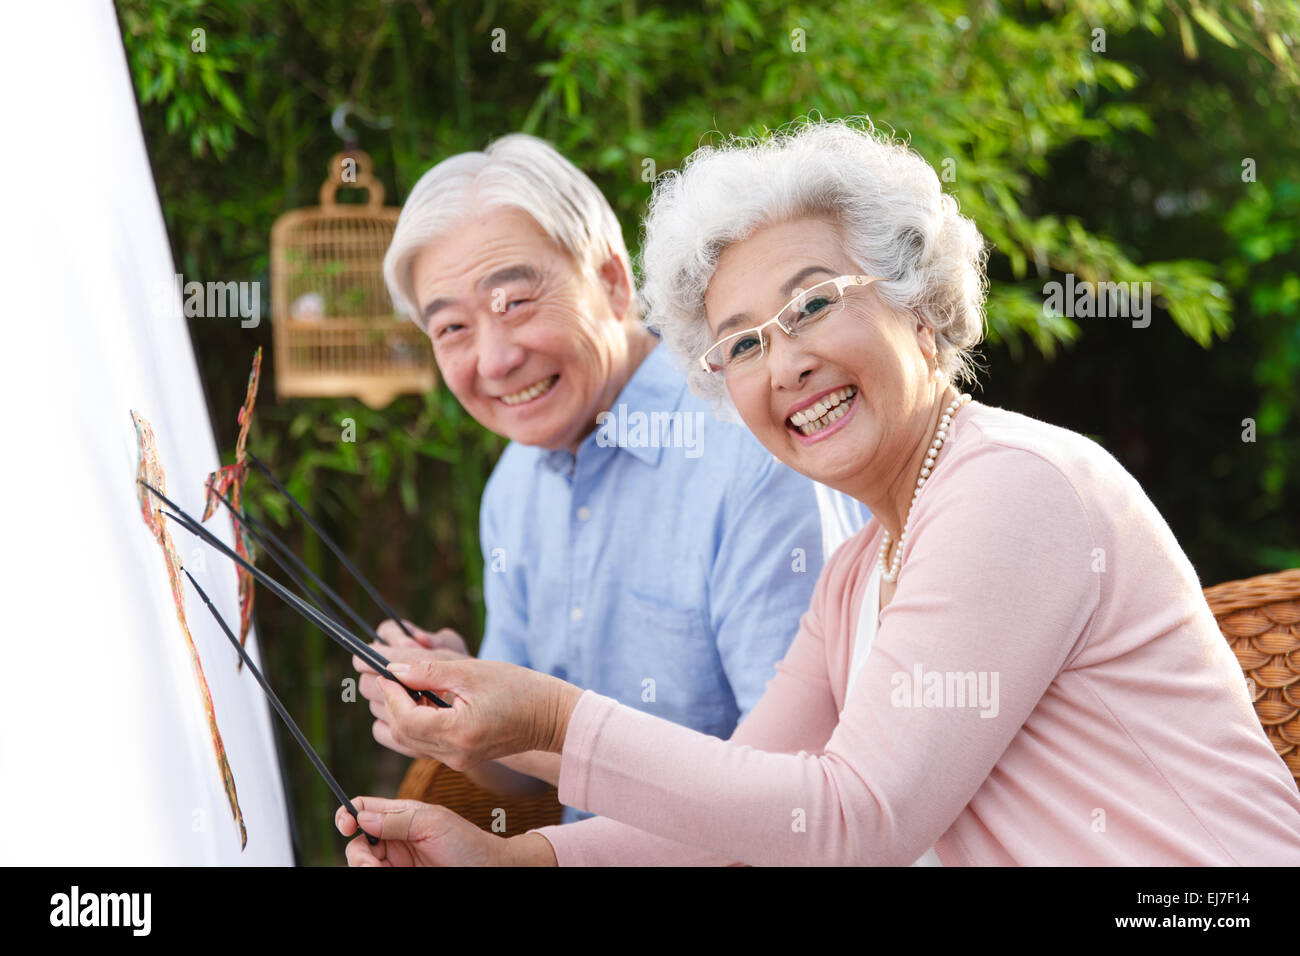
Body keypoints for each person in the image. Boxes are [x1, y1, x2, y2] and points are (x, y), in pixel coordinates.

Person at [339, 118, 1300, 865]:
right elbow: (747, 807)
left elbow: (856, 818)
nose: (784, 363)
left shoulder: (1013, 486)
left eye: (810, 306)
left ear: (918, 305)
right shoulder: (855, 571)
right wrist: (521, 858)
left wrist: (551, 718)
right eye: (743, 343)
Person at [363, 133, 834, 822]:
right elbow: (526, 781)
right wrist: (459, 707)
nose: (493, 361)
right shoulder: (512, 489)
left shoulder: (749, 444)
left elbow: (797, 790)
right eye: (453, 329)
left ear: (613, 281)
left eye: (515, 303)